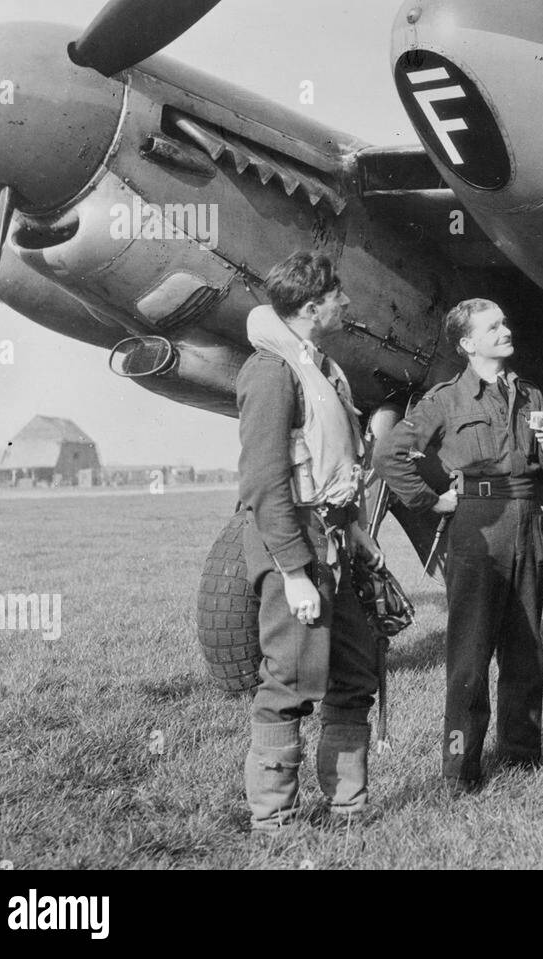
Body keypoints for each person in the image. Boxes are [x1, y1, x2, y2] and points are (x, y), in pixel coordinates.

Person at [372, 299, 543, 793]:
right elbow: (389, 453)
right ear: (466, 344)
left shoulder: (531, 394)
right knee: (470, 652)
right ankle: (461, 770)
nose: (506, 330)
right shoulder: (444, 399)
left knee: (526, 650)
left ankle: (523, 758)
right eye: (493, 327)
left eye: (504, 322)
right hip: (477, 524)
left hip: (528, 520)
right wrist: (429, 500)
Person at [237, 250, 386, 832]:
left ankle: (349, 805)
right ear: (310, 306)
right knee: (291, 681)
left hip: (337, 547)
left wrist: (354, 531)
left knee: (353, 675)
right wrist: (295, 572)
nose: (347, 302)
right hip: (295, 549)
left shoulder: (321, 368)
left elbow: (331, 468)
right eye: (338, 295)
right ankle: (272, 819)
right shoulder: (271, 373)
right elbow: (264, 483)